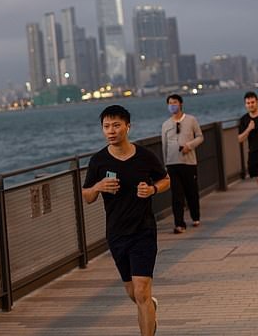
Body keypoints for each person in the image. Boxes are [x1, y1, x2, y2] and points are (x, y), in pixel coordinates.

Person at [82, 105, 170, 336]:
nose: (111, 131)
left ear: (128, 127)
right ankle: (150, 308)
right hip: (116, 233)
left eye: (116, 125)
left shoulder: (144, 156)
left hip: (144, 231)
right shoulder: (98, 161)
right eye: (106, 126)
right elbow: (87, 196)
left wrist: (152, 189)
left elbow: (165, 180)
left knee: (141, 291)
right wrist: (99, 186)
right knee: (134, 293)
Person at [161, 94, 204, 233]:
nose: (172, 105)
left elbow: (200, 137)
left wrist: (189, 146)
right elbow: (164, 145)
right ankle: (179, 224)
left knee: (191, 192)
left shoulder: (191, 120)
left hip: (189, 163)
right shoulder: (166, 124)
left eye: (174, 102)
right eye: (170, 103)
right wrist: (165, 164)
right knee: (176, 195)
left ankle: (195, 216)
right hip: (172, 164)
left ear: (181, 104)